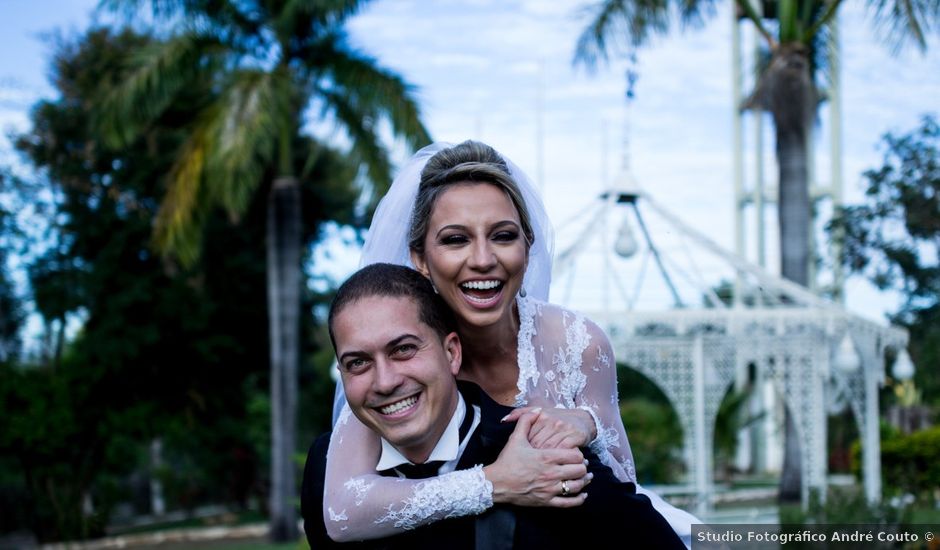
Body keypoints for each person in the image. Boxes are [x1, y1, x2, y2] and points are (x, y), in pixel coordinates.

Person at [324, 140, 697, 546]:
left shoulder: (578, 343)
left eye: (502, 236)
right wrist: (494, 483)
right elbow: (343, 507)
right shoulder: (400, 357)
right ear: (420, 257)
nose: (483, 259)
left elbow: (624, 484)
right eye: (455, 240)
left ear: (527, 245)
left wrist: (587, 423)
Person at [303, 263, 685, 549]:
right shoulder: (326, 466)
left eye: (403, 350)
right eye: (358, 363)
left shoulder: (544, 453)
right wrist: (493, 483)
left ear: (452, 353)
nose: (384, 382)